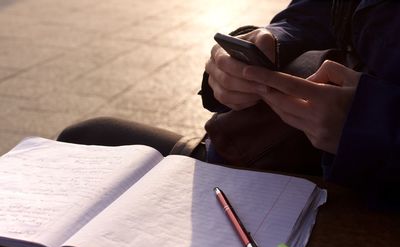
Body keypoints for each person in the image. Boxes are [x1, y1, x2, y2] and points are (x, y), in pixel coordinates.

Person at [58, 0, 400, 209]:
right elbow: (315, 14)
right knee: (84, 140)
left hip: (344, 193)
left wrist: (373, 125)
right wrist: (266, 43)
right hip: (257, 160)